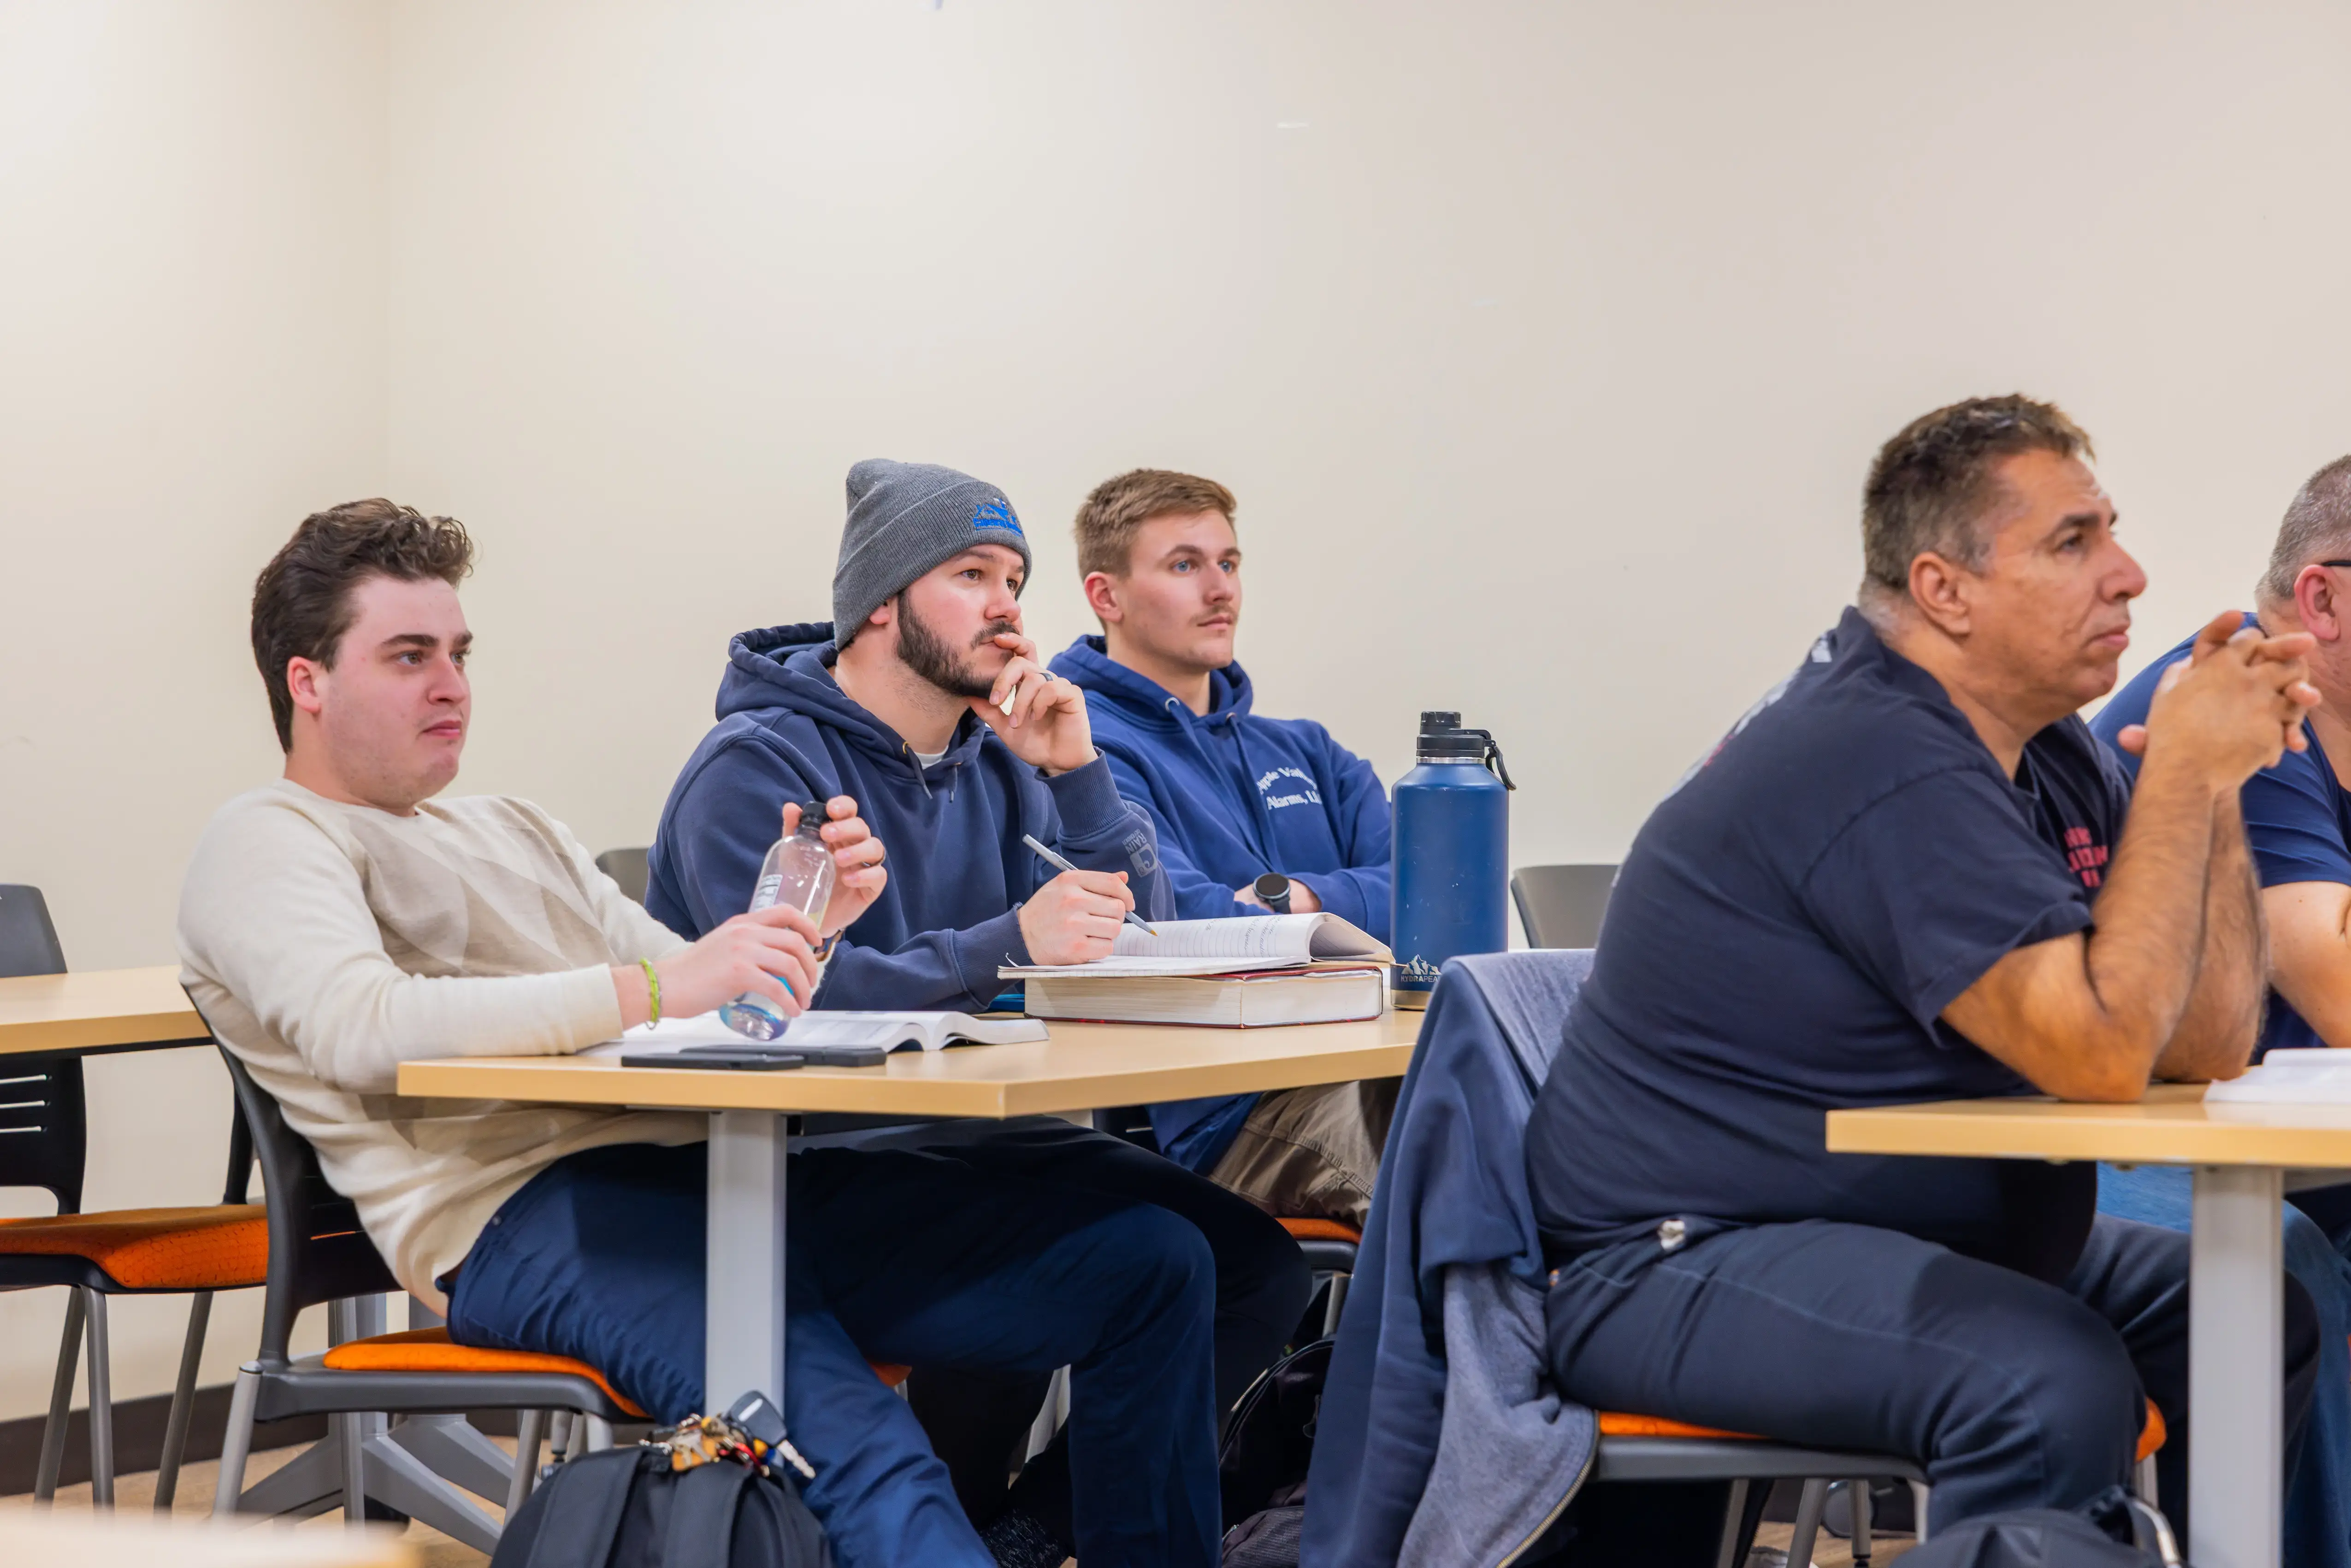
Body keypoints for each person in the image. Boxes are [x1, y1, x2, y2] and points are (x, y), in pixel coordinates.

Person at [178, 500, 1224, 1568]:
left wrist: (805, 936)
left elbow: (712, 1003)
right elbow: (369, 1030)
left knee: (1155, 1265)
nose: (451, 685)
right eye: (409, 657)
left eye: (458, 652)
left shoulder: (514, 826)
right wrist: (666, 981)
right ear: (307, 681)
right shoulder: (266, 839)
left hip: (729, 1179)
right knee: (861, 1449)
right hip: (526, 1219)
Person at [1522, 395, 2324, 1539]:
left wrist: (2220, 788)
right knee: (2047, 1380)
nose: (2131, 573)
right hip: (1681, 1256)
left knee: (2245, 1317)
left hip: (1905, 1239)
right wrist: (2183, 778)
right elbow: (2100, 1058)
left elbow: (2203, 1047)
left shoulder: (2041, 751)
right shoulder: (1876, 752)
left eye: (2112, 530)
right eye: (2073, 541)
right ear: (1944, 589)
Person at [644, 460, 1311, 1547]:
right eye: (970, 574)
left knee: (1256, 1267)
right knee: (1147, 1263)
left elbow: (1140, 940)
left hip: (972, 1141)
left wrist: (1079, 774)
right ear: (879, 603)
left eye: (1014, 576)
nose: (1007, 605)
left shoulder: (993, 762)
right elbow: (772, 1010)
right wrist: (1004, 944)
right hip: (799, 1167)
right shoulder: (757, 766)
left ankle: (1022, 1535)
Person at [2090, 454, 2351, 1566]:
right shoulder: (2240, 696)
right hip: (2094, 1135)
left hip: (2258, 1132)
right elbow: (2336, 988)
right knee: (2277, 1259)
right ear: (2324, 598)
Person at [1049, 468, 1396, 1225]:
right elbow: (1182, 922)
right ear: (1106, 596)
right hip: (1233, 1117)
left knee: (1541, 1124)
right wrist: (1350, 901)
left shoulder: (1307, 751)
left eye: (1229, 563)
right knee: (1450, 1187)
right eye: (1185, 564)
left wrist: (1298, 902)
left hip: (1375, 1062)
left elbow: (1435, 893)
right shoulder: (1079, 750)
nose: (1221, 589)